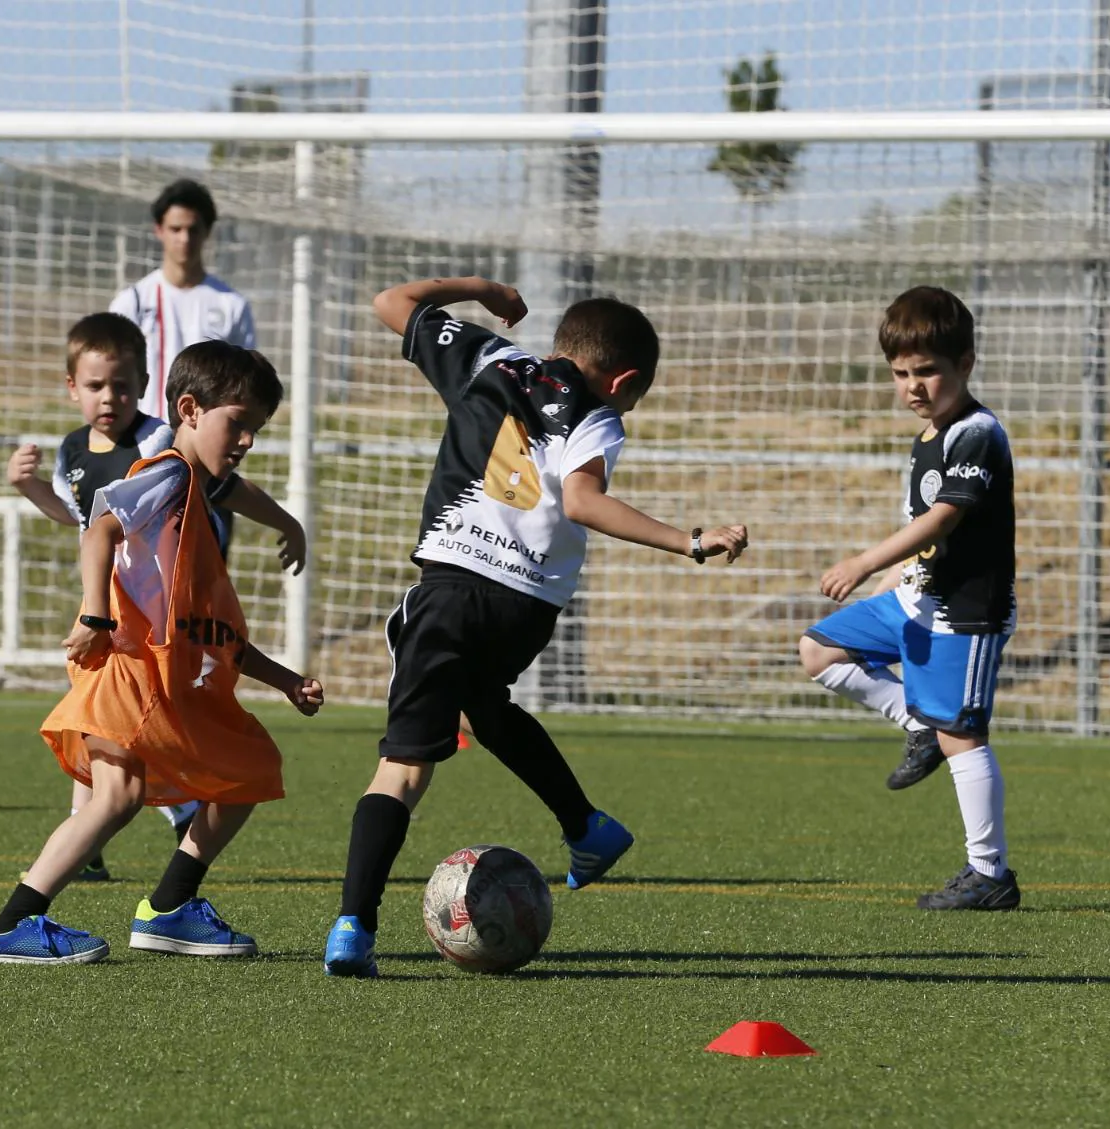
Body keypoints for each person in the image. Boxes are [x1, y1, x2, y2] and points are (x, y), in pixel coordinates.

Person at [321, 277, 749, 978]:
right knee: (485, 704)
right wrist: (688, 539)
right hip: (525, 608)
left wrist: (482, 289)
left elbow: (390, 302)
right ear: (626, 378)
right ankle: (586, 826)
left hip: (453, 590)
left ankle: (353, 927)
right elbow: (582, 498)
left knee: (399, 772)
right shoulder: (600, 415)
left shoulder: (491, 358)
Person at [0, 341, 324, 964]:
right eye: (238, 423)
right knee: (123, 797)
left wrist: (284, 679)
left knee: (243, 772)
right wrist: (95, 612)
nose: (247, 439)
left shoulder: (194, 491)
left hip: (165, 677)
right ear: (190, 410)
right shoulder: (166, 474)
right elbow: (99, 526)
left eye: (257, 429)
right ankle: (17, 924)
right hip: (133, 671)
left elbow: (212, 628)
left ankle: (168, 909)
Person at [798, 286, 1019, 911]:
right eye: (901, 373)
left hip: (964, 614)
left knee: (963, 736)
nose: (914, 385)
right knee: (820, 649)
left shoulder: (977, 433)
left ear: (965, 365)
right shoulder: (930, 433)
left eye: (928, 371)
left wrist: (866, 561)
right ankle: (915, 721)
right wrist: (895, 585)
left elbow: (946, 517)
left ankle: (989, 874)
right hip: (916, 601)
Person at [110, 179, 255, 559]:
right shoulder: (134, 301)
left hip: (205, 463)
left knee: (202, 580)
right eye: (175, 229)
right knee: (137, 578)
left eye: (193, 229)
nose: (184, 239)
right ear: (159, 230)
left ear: (207, 232)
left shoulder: (230, 305)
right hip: (142, 460)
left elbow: (243, 391)